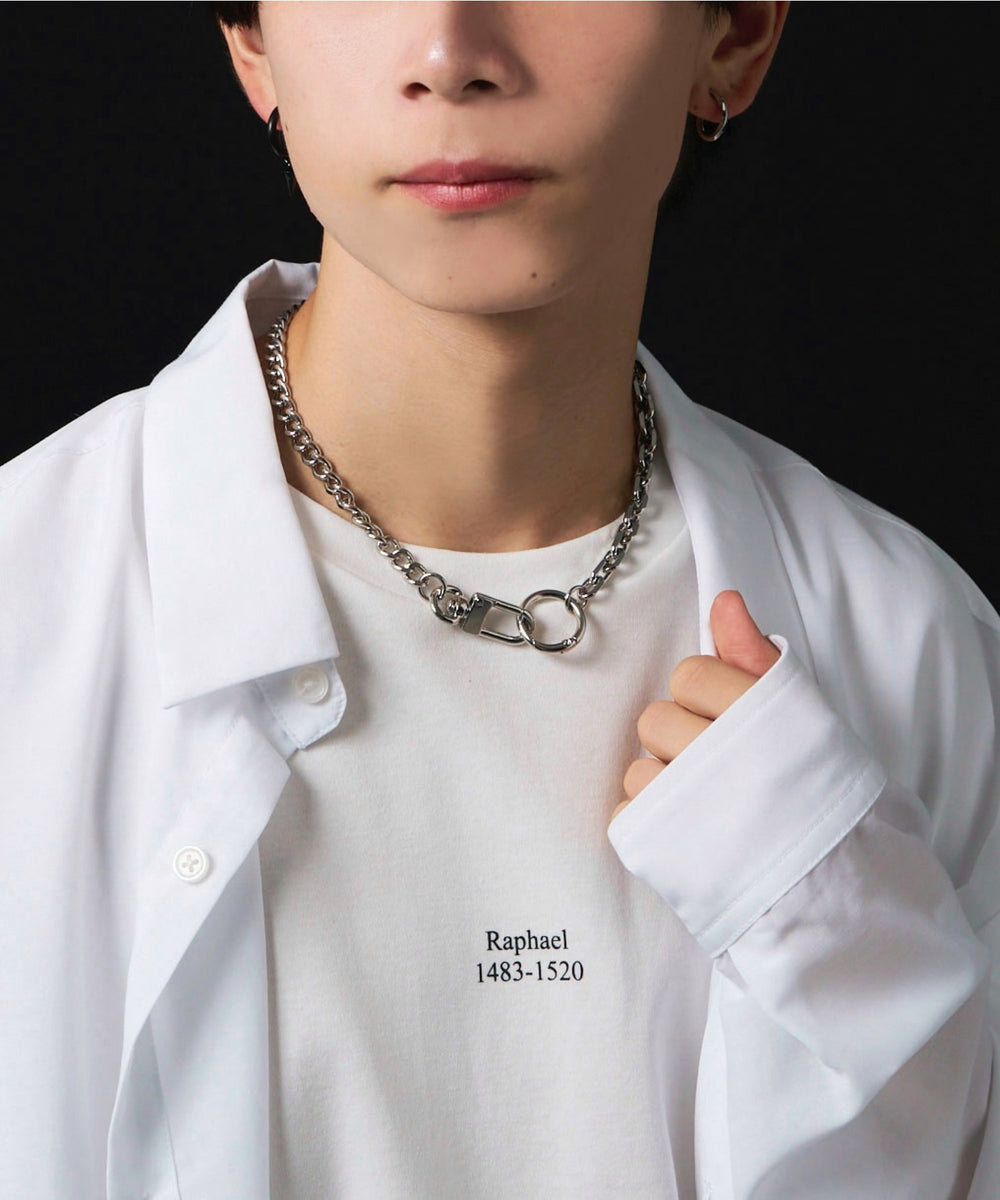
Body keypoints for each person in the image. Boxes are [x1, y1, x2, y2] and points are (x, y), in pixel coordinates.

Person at [1, 2, 997, 1197]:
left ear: (732, 34)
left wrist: (854, 952)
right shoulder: (28, 606)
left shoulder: (921, 649)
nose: (451, 55)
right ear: (252, 42)